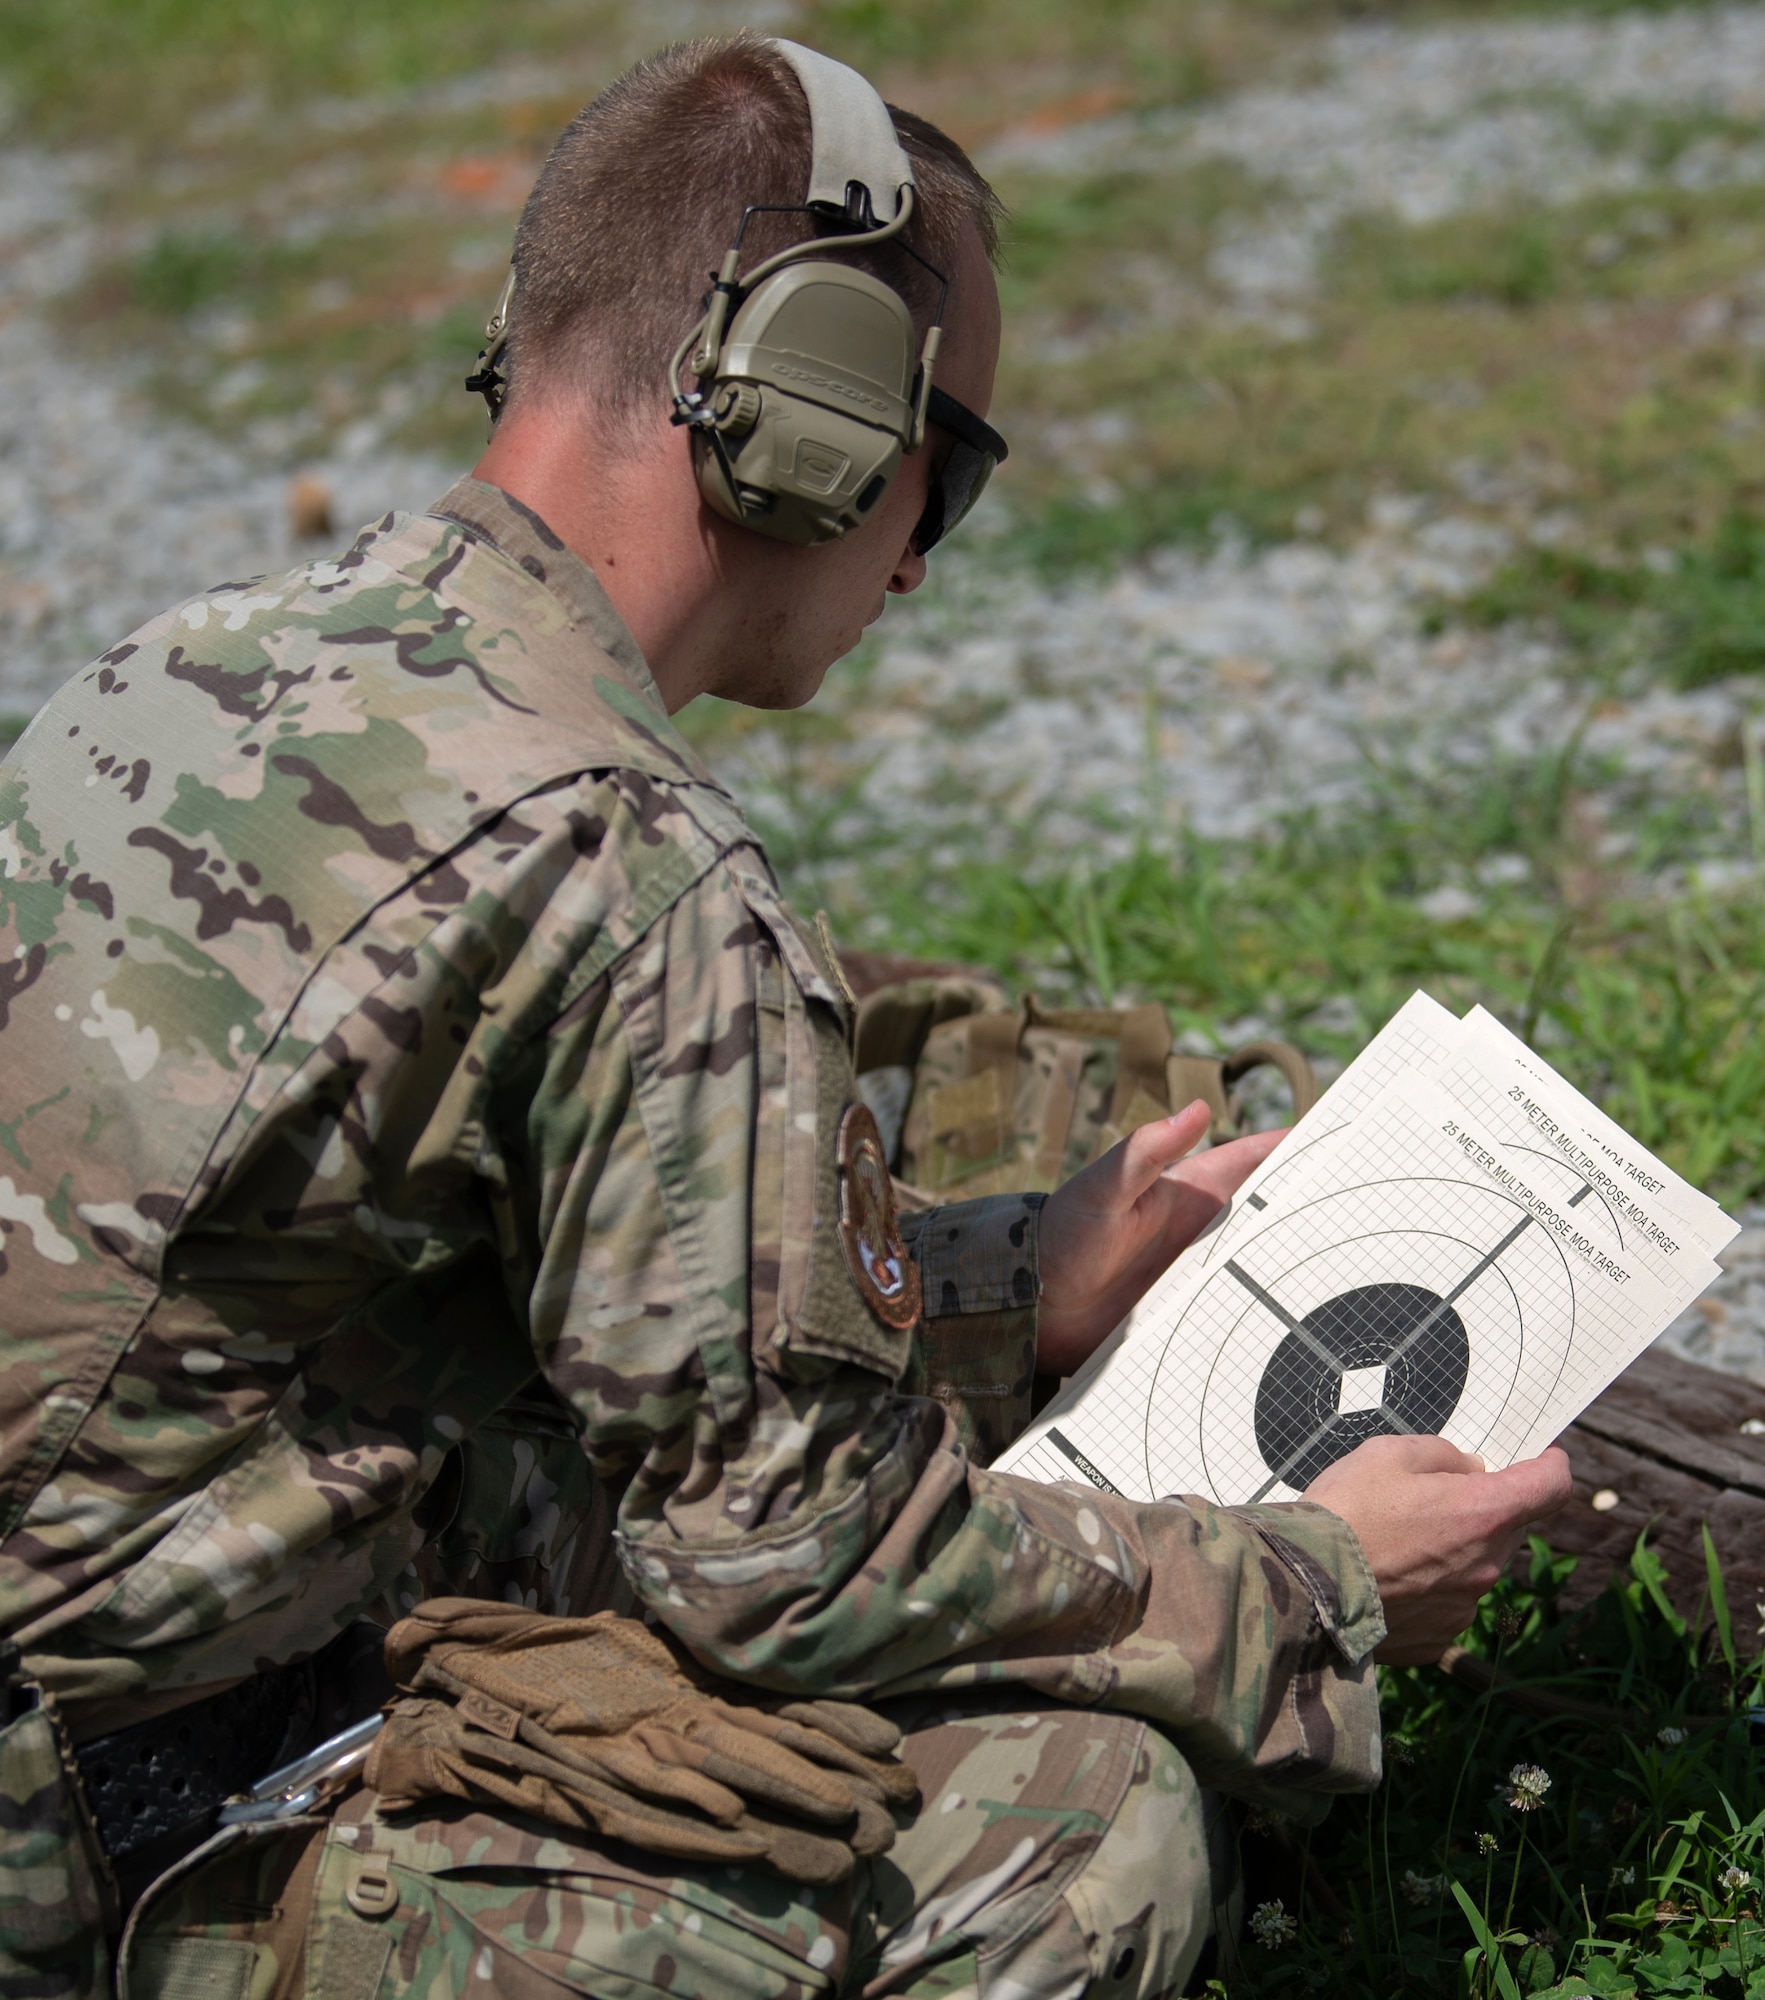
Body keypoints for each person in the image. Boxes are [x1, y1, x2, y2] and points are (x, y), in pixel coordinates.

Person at [0, 32, 1571, 1999]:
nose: (916, 563)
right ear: (810, 407)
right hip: (138, 1855)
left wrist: (1006, 1286)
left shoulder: (188, 671)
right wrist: (1316, 1587)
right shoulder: (627, 866)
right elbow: (787, 1573)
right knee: (1081, 1826)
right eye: (952, 472)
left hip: (90, 1713)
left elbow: (534, 1321)